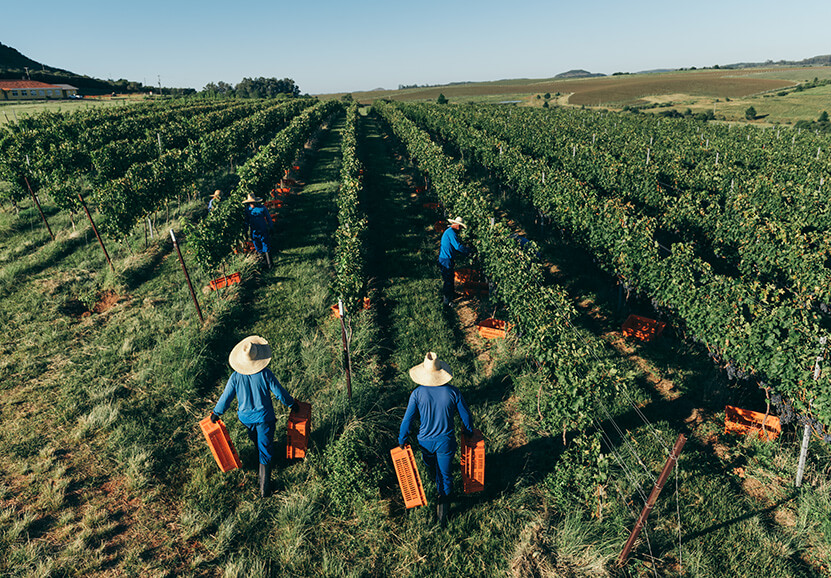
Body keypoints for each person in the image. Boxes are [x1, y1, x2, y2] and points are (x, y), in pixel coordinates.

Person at [210, 335, 297, 497]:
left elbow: (226, 397)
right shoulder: (265, 374)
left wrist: (216, 412)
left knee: (256, 441)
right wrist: (292, 404)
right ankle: (265, 489)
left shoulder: (235, 376)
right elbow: (280, 393)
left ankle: (262, 458)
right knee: (265, 450)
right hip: (264, 418)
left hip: (246, 419)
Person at [398, 351, 474, 527]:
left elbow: (408, 419)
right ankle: (443, 516)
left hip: (425, 442)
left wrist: (402, 438)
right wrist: (468, 431)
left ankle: (436, 481)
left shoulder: (417, 394)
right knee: (446, 477)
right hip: (445, 442)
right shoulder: (453, 392)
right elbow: (466, 416)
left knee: (431, 466)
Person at [438, 216, 471, 307]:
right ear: (456, 225)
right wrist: (468, 251)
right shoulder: (451, 233)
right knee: (448, 280)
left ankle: (451, 295)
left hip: (447, 258)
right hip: (446, 259)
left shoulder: (449, 232)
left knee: (450, 277)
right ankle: (447, 301)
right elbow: (457, 246)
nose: (460, 229)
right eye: (460, 227)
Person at [242, 193, 274, 268]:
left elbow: (268, 218)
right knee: (257, 247)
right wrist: (246, 231)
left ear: (256, 201)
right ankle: (263, 264)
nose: (252, 204)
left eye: (253, 202)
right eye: (250, 202)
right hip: (254, 232)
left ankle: (270, 264)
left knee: (265, 245)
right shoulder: (247, 210)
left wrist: (271, 227)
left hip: (263, 230)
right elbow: (246, 221)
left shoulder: (262, 208)